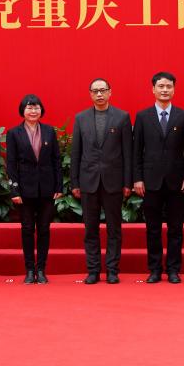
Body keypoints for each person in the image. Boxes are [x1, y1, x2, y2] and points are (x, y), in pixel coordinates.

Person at [132, 72, 184, 284]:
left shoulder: (183, 116)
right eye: (161, 86)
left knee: (176, 228)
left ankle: (174, 269)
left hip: (177, 182)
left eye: (169, 86)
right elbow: (136, 150)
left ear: (174, 89)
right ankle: (155, 269)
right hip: (150, 182)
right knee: (153, 229)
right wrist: (137, 178)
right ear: (153, 89)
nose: (165, 90)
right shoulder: (143, 116)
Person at [71, 78, 132, 285]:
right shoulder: (81, 118)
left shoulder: (122, 117)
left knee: (114, 229)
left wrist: (127, 182)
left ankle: (113, 270)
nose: (99, 94)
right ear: (90, 94)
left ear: (110, 92)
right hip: (88, 181)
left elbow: (127, 153)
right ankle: (93, 270)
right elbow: (76, 152)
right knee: (90, 229)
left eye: (103, 90)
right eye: (95, 91)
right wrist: (75, 183)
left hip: (113, 181)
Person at [6, 94, 63, 285]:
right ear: (23, 111)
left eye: (36, 107)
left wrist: (59, 186)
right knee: (27, 229)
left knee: (44, 229)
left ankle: (41, 269)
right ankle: (30, 270)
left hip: (47, 189)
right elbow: (11, 164)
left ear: (41, 110)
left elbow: (56, 160)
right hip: (24, 190)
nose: (33, 111)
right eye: (29, 107)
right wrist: (14, 190)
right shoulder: (14, 133)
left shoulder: (49, 131)